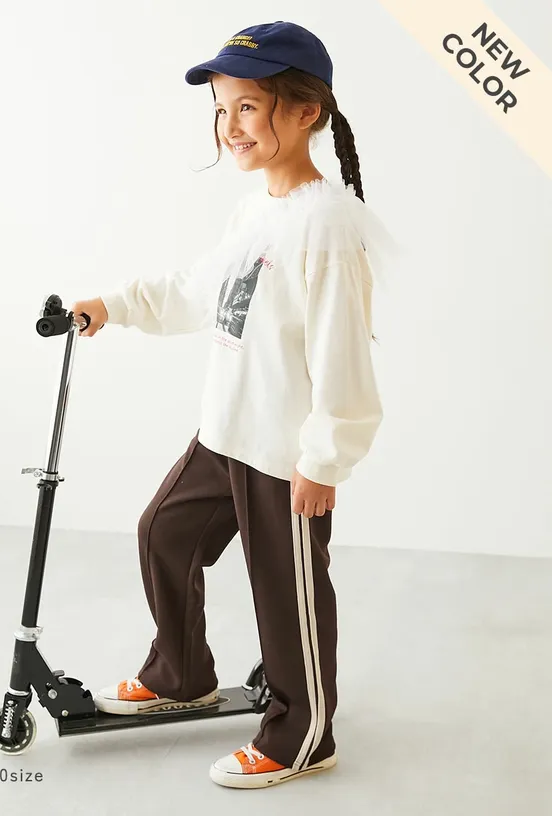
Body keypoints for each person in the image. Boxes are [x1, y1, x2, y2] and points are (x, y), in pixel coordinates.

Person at [72, 20, 398, 790]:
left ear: (306, 112)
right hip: (225, 432)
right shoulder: (256, 212)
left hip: (284, 452)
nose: (230, 126)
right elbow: (199, 292)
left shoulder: (327, 226)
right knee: (163, 532)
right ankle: (181, 674)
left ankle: (301, 735)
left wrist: (324, 460)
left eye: (248, 107)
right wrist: (114, 306)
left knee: (286, 598)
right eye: (222, 109)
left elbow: (343, 359)